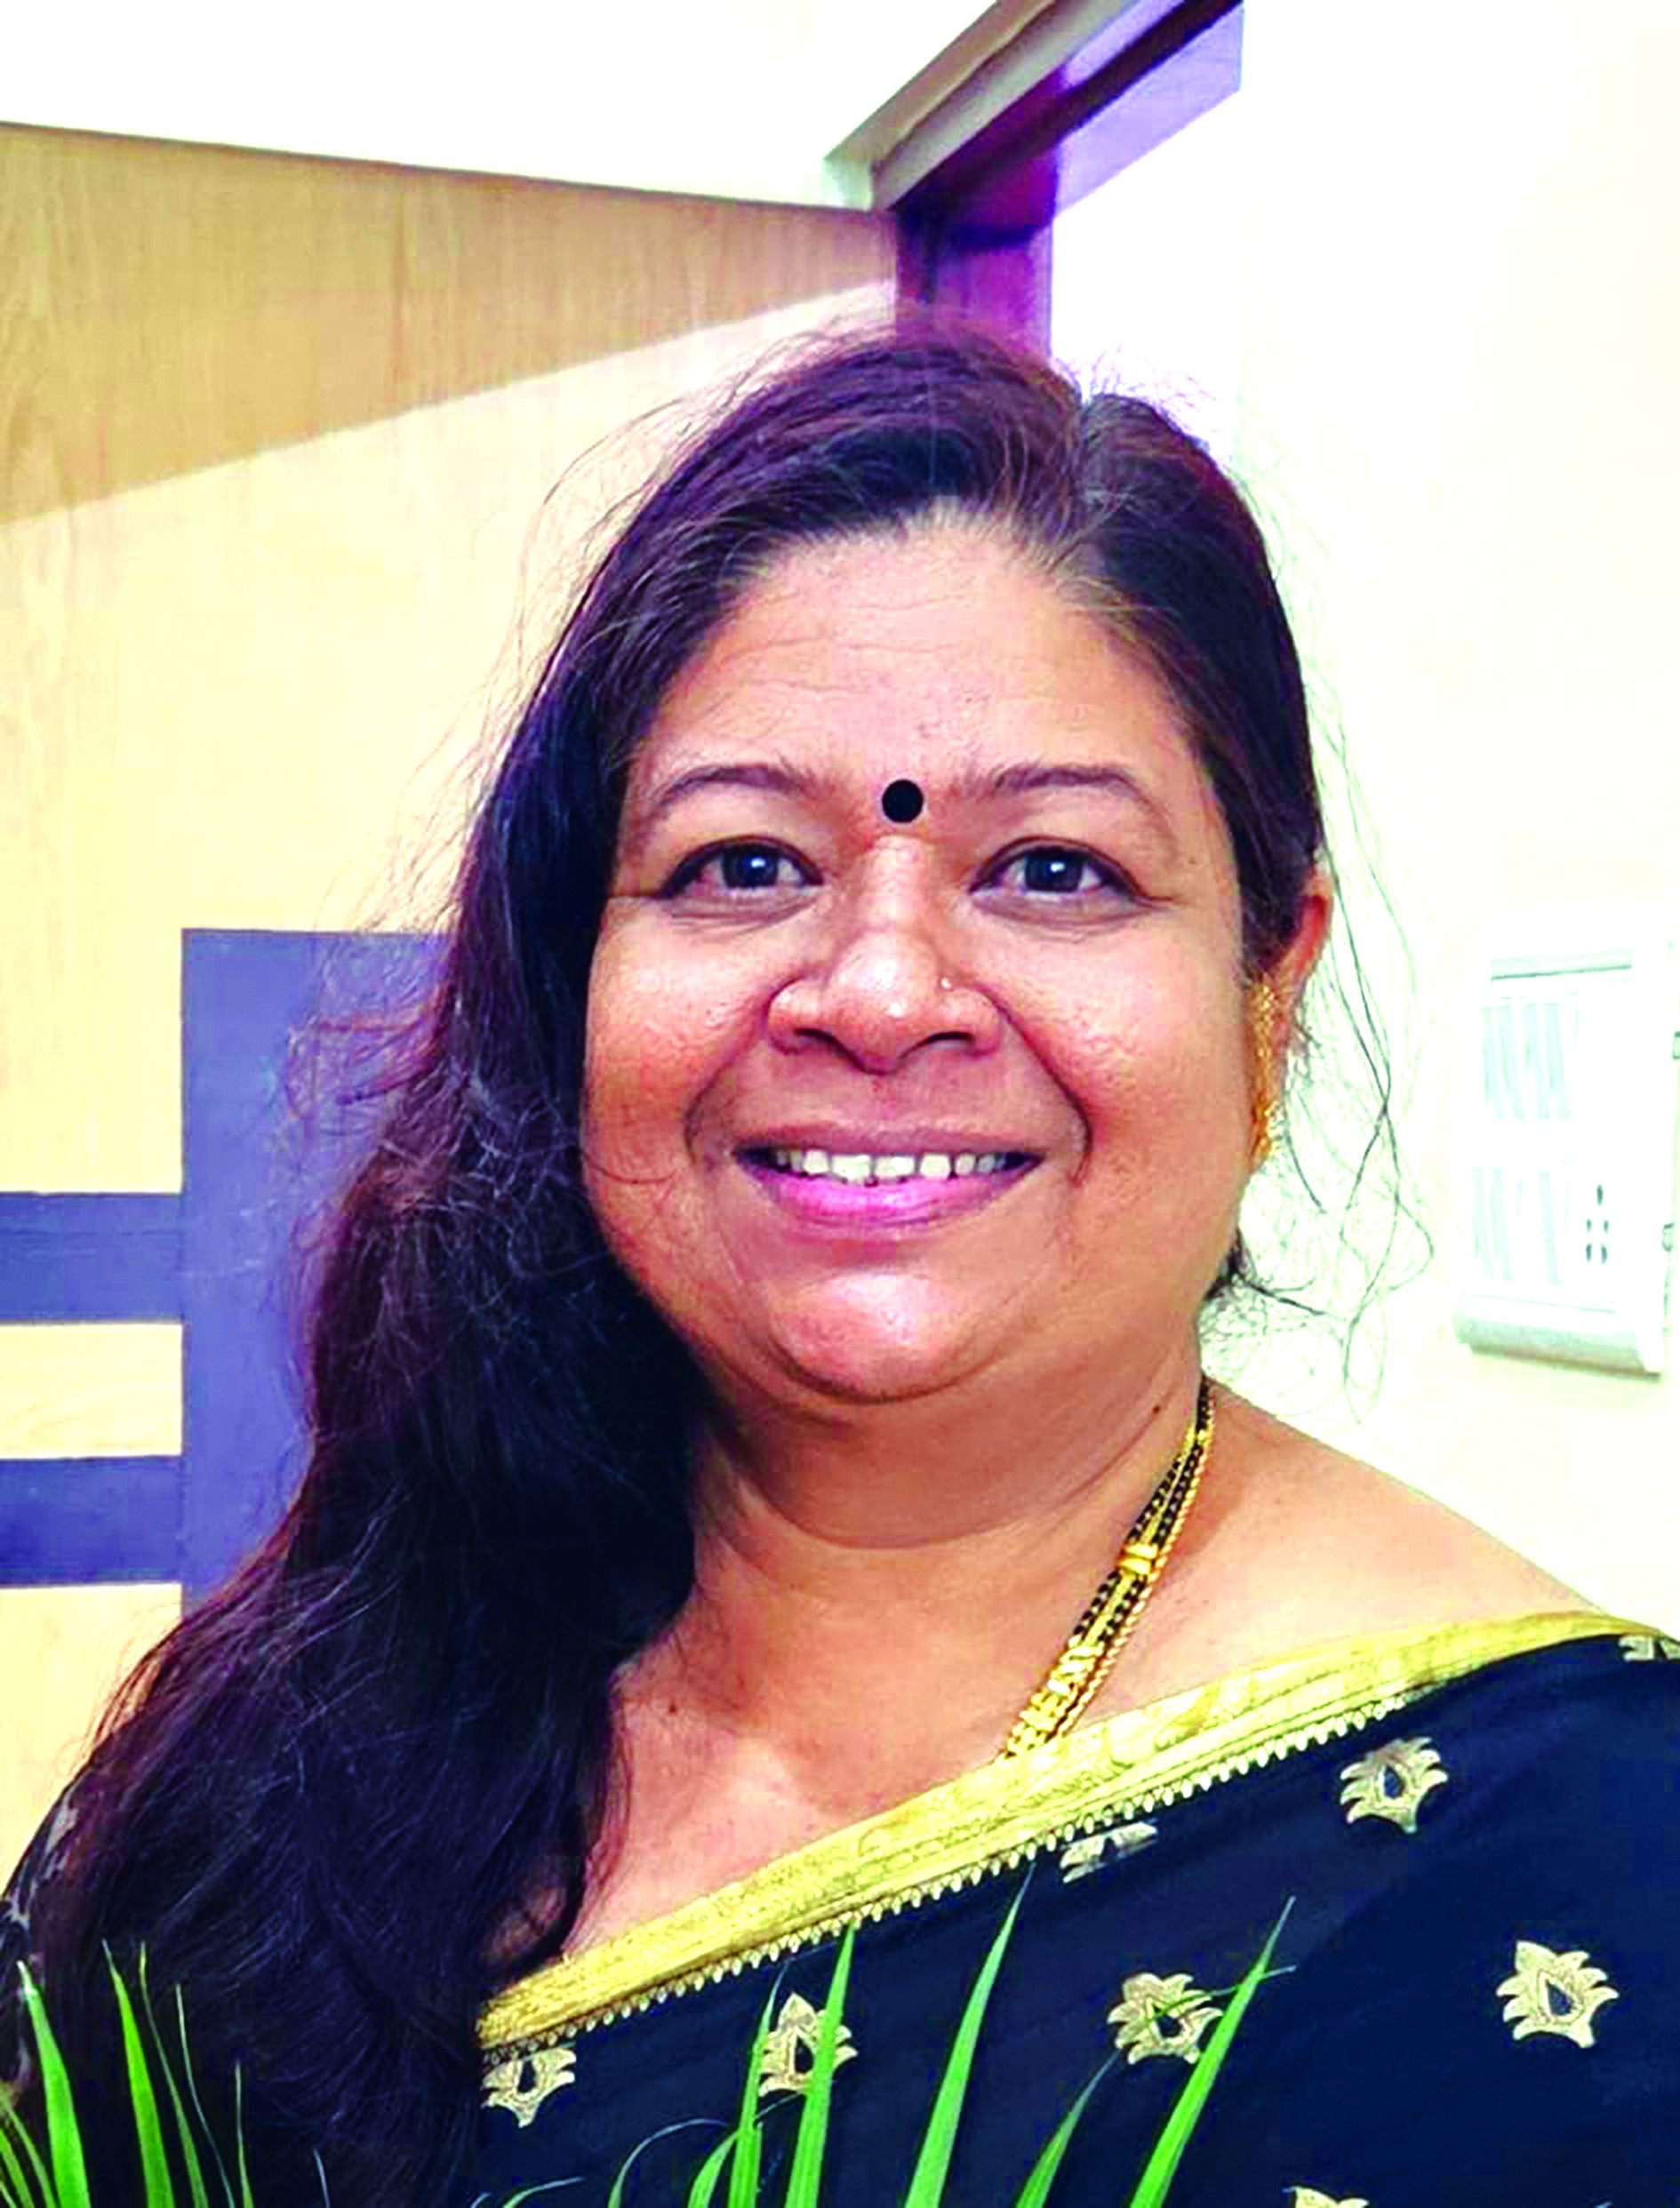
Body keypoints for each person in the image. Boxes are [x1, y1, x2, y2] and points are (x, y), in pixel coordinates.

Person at [4, 327, 1676, 2206]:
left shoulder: (1575, 1852)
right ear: (574, 980)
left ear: (1265, 993)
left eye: (1053, 869)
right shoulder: (328, 1693)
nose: (879, 993)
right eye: (741, 865)